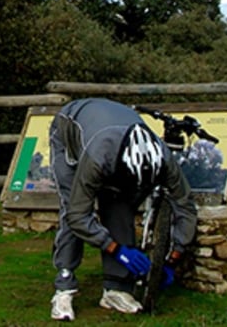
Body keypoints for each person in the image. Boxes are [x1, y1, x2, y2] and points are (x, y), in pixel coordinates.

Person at [47, 98, 197, 321]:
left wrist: (174, 257)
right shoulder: (98, 158)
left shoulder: (164, 160)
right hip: (70, 127)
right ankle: (64, 286)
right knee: (72, 206)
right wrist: (116, 249)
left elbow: (185, 204)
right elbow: (78, 216)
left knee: (120, 206)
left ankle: (115, 288)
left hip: (112, 134)